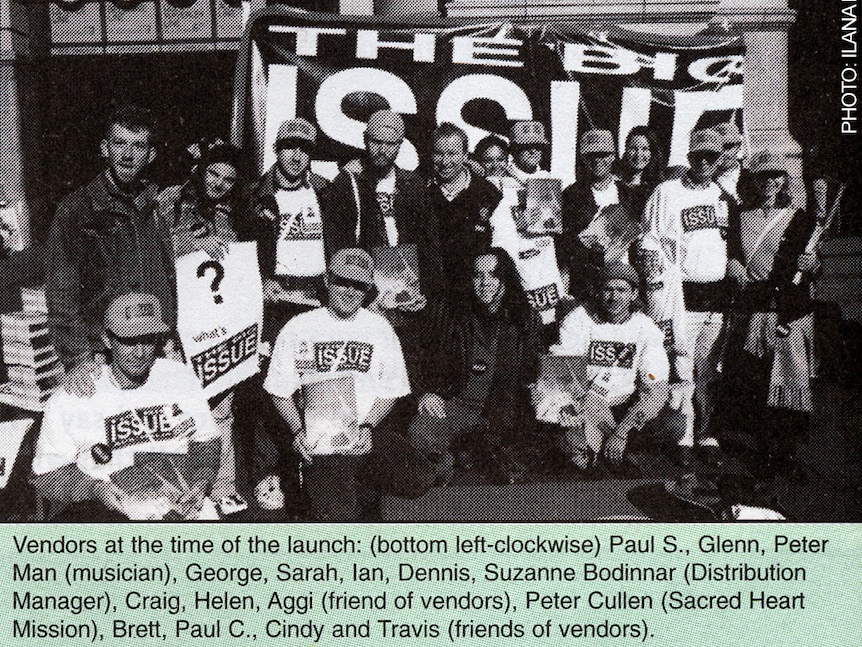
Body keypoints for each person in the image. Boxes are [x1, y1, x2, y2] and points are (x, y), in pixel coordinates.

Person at [263, 248, 432, 520]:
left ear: (367, 290)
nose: (349, 291)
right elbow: (278, 392)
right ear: (329, 280)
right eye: (343, 281)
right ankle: (327, 484)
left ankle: (359, 479)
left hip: (366, 433)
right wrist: (297, 432)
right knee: (338, 517)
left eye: (359, 285)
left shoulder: (379, 327)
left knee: (420, 478)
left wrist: (367, 426)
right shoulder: (299, 326)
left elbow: (390, 390)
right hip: (322, 439)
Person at [31, 292, 221, 520]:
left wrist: (202, 480)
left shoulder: (178, 377)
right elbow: (46, 474)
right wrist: (95, 489)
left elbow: (206, 439)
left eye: (148, 340)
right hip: (109, 511)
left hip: (179, 501)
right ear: (107, 340)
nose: (140, 353)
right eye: (129, 341)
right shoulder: (73, 397)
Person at [46, 104, 175, 400]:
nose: (128, 155)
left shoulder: (155, 207)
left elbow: (168, 276)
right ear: (105, 148)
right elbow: (61, 292)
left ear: (150, 155)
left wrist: (170, 340)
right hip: (103, 356)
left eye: (138, 146)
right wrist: (77, 360)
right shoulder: (77, 210)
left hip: (154, 349)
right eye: (119, 143)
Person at [720, 151, 820, 485]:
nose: (770, 183)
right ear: (752, 180)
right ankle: (763, 451)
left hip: (789, 310)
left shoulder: (801, 218)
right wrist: (731, 263)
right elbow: (731, 252)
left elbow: (813, 266)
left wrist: (813, 266)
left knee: (790, 384)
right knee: (757, 383)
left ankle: (788, 454)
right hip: (754, 308)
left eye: (777, 177)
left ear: (784, 181)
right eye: (763, 177)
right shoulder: (739, 216)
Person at [156, 139, 246, 507]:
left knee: (221, 406)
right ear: (201, 169)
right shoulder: (171, 201)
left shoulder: (231, 213)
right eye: (214, 173)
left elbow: (238, 266)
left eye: (228, 179)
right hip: (174, 326)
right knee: (176, 408)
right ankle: (175, 491)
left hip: (216, 324)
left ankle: (221, 489)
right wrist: (191, 245)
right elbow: (152, 251)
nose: (219, 183)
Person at [409, 249, 543, 484]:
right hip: (456, 403)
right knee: (420, 433)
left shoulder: (525, 318)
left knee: (516, 461)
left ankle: (477, 451)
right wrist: (426, 392)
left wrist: (540, 389)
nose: (485, 283)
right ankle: (448, 462)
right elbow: (415, 353)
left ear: (506, 280)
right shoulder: (449, 310)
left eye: (493, 275)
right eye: (478, 275)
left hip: (501, 411)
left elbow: (533, 368)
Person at [641, 128, 730, 465]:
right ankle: (684, 438)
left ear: (721, 160)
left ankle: (707, 435)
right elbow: (649, 240)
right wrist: (656, 288)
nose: (706, 161)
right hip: (682, 296)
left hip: (717, 298)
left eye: (713, 156)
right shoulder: (667, 192)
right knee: (682, 370)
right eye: (700, 156)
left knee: (709, 373)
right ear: (690, 157)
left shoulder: (722, 196)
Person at [549, 263, 669, 469]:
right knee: (576, 453)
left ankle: (616, 446)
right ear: (598, 292)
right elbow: (561, 375)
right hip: (586, 401)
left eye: (622, 290)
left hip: (624, 406)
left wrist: (622, 432)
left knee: (673, 424)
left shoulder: (645, 328)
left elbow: (655, 388)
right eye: (608, 290)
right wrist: (590, 412)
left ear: (633, 293)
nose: (614, 297)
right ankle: (603, 450)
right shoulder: (578, 319)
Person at [321, 110, 442, 299]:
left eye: (390, 144)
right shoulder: (348, 183)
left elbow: (429, 242)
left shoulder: (413, 184)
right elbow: (336, 242)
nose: (382, 150)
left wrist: (425, 290)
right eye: (376, 142)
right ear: (365, 139)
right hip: (363, 288)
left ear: (400, 144)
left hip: (406, 288)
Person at [242, 118, 330, 343]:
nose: (296, 155)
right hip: (277, 296)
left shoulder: (327, 191)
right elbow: (242, 247)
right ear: (276, 149)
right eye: (289, 146)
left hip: (319, 293)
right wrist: (262, 279)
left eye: (304, 148)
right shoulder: (254, 195)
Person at [425, 123, 502, 300]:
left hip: (477, 294)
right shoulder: (420, 189)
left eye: (452, 153)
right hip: (434, 295)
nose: (445, 162)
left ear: (465, 155)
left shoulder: (487, 193)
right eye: (439, 154)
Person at [560, 129, 638, 300]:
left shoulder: (628, 194)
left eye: (603, 154)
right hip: (587, 282)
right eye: (591, 156)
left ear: (613, 157)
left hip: (623, 280)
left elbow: (636, 238)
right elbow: (566, 244)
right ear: (583, 159)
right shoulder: (571, 194)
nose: (597, 160)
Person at [616, 125, 666, 216]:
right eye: (633, 148)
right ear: (626, 151)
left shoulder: (658, 189)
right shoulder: (615, 185)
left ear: (652, 153)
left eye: (645, 149)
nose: (639, 154)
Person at [713, 121, 744, 204]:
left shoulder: (750, 178)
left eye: (728, 146)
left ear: (739, 147)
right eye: (717, 147)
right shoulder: (706, 181)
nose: (723, 153)